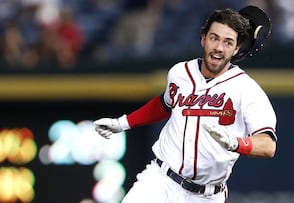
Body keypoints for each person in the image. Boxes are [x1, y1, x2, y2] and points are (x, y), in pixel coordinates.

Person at [94, 6, 277, 203]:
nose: (219, 48)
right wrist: (123, 123)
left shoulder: (246, 89)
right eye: (214, 38)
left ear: (236, 49)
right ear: (203, 39)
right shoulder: (180, 72)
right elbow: (165, 104)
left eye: (228, 42)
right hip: (161, 181)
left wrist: (236, 143)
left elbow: (268, 145)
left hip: (208, 195)